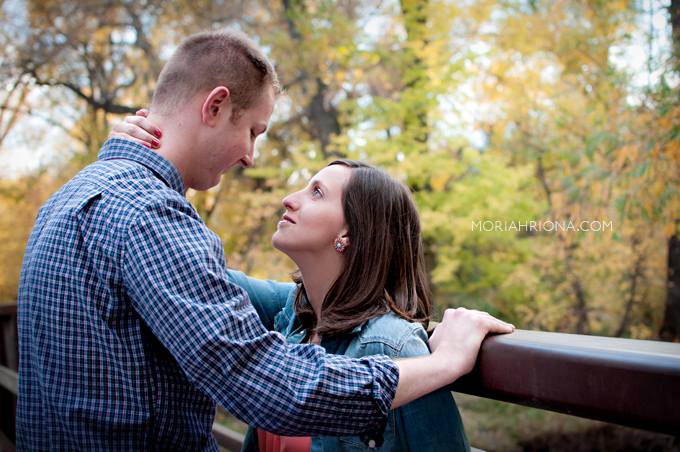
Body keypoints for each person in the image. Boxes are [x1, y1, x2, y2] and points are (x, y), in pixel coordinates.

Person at [17, 28, 513, 451]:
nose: (251, 156)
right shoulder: (149, 217)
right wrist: (448, 362)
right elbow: (265, 383)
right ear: (215, 106)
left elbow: (233, 292)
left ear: (351, 234)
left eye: (317, 191)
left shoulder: (70, 199)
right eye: (253, 130)